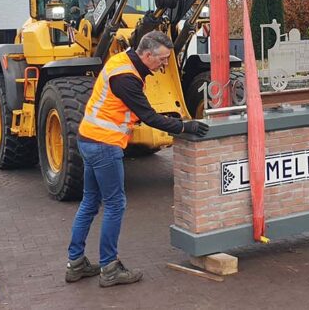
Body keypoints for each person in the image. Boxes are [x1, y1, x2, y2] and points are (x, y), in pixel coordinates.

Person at [65, 30, 210, 287]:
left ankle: (75, 263)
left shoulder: (122, 61)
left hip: (88, 138)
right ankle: (109, 268)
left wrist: (173, 121)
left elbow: (136, 112)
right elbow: (149, 116)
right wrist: (185, 127)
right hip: (104, 145)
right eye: (162, 59)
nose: (165, 64)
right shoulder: (126, 78)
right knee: (115, 204)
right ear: (146, 54)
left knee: (90, 201)